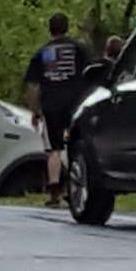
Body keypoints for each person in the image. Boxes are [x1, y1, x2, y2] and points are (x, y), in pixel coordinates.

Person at [25, 13, 90, 208]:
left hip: (51, 105)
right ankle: (74, 186)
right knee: (73, 145)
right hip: (74, 105)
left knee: (54, 149)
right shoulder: (78, 49)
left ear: (50, 29)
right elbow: (90, 75)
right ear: (66, 28)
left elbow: (33, 86)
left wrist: (35, 111)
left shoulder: (42, 53)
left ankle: (54, 191)